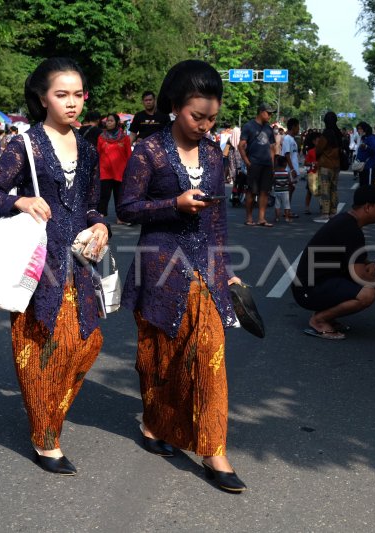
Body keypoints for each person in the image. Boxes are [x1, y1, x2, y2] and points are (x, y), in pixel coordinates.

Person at [118, 60, 247, 494]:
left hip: (205, 270)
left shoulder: (213, 152)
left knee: (211, 354)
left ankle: (214, 448)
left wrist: (226, 272)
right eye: (198, 116)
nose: (206, 126)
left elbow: (219, 221)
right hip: (159, 268)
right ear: (175, 106)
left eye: (213, 118)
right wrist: (173, 204)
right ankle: (155, 426)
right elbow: (127, 208)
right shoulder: (148, 151)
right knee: (158, 356)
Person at [0, 57, 108, 475]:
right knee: (38, 347)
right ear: (42, 98)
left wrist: (101, 224)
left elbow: (92, 204)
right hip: (37, 265)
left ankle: (48, 412)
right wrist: (20, 200)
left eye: (78, 95)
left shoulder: (88, 149)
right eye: (61, 94)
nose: (72, 103)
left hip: (79, 263)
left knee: (87, 344)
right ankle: (45, 438)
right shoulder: (26, 145)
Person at [291, 185, 375, 340]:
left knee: (370, 286)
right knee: (368, 293)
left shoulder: (347, 222)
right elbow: (359, 275)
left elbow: (355, 260)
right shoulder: (350, 229)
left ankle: (327, 316)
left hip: (314, 283)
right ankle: (319, 321)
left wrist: (369, 265)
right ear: (368, 207)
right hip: (308, 290)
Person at [239, 103, 276, 226]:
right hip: (254, 164)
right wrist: (247, 161)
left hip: (267, 165)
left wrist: (272, 165)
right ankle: (249, 218)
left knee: (265, 191)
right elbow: (241, 145)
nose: (270, 115)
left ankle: (262, 218)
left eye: (271, 113)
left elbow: (272, 148)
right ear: (261, 112)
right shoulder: (249, 126)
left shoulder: (269, 129)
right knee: (252, 191)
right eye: (268, 113)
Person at [96, 112, 133, 225]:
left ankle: (120, 218)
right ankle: (100, 218)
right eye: (107, 121)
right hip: (105, 171)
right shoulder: (101, 137)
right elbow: (98, 153)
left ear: (117, 122)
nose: (108, 123)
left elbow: (129, 155)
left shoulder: (125, 138)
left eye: (111, 121)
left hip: (120, 172)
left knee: (120, 196)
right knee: (104, 196)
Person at [313, 111, 343, 223]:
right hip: (337, 165)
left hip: (326, 164)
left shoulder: (326, 134)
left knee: (325, 189)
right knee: (334, 189)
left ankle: (325, 213)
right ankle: (333, 211)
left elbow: (319, 149)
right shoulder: (338, 133)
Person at [281, 118, 301, 213]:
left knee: (291, 188)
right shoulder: (287, 139)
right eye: (298, 127)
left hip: (292, 168)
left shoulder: (292, 139)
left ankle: (287, 209)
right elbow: (287, 154)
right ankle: (286, 210)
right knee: (289, 188)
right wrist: (292, 169)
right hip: (289, 169)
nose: (299, 129)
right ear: (293, 127)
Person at [355, 121, 375, 187]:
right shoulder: (363, 138)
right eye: (358, 129)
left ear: (365, 129)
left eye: (360, 128)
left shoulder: (371, 138)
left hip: (369, 166)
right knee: (363, 186)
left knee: (369, 186)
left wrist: (366, 147)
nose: (359, 130)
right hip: (362, 167)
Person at [272, 155, 292, 222]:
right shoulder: (287, 173)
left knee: (277, 205)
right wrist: (285, 183)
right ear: (285, 164)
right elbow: (289, 181)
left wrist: (278, 184)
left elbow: (273, 181)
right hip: (285, 191)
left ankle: (277, 218)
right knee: (286, 205)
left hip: (277, 191)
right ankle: (287, 218)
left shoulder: (275, 172)